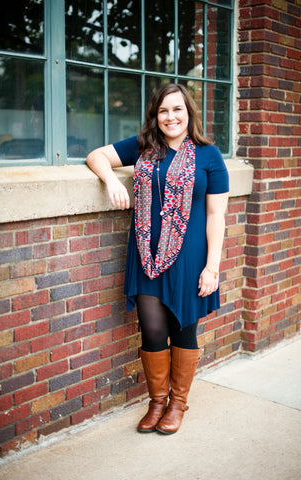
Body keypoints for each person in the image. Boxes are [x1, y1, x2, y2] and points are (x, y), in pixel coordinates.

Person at [86, 83, 229, 435]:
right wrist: (112, 181)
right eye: (163, 111)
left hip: (190, 257)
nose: (171, 117)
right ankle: (157, 402)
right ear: (155, 115)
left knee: (182, 328)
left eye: (177, 109)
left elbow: (216, 216)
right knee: (151, 329)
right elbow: (96, 156)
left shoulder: (209, 156)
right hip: (146, 255)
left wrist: (212, 267)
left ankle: (178, 404)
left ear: (188, 113)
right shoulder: (144, 147)